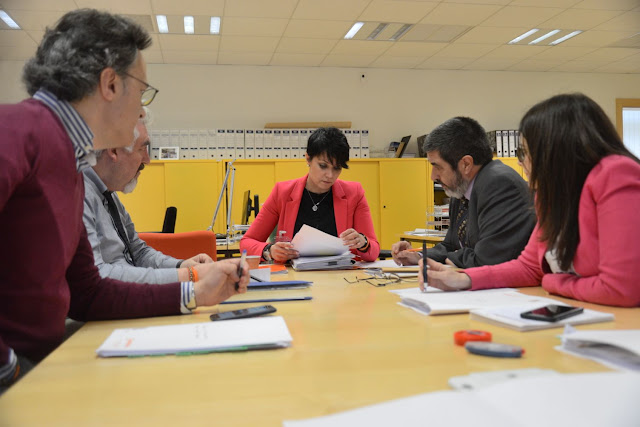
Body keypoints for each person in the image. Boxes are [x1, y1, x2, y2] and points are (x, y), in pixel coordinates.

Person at [0, 9, 248, 393]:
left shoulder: (71, 160)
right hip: (22, 375)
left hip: (50, 363)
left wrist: (194, 293)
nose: (141, 109)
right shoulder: (16, 130)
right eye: (142, 89)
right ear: (110, 84)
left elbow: (89, 292)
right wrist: (8, 368)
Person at [421, 93, 640, 307]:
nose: (521, 162)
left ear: (555, 150)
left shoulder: (615, 175)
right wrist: (465, 279)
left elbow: (620, 288)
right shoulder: (552, 195)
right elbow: (530, 267)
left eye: (524, 152)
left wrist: (554, 282)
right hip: (590, 312)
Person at [392, 117, 535, 268]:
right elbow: (450, 245)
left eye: (437, 166)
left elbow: (487, 259)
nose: (433, 176)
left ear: (466, 164)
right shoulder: (461, 188)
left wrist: (451, 257)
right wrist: (419, 256)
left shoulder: (499, 184)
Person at [83, 118, 213, 285]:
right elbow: (98, 274)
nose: (147, 159)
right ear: (113, 150)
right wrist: (188, 275)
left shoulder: (109, 194)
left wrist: (181, 266)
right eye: (142, 148)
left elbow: (138, 252)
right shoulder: (79, 196)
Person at [240, 127, 380, 262]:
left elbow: (373, 250)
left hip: (341, 277)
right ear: (308, 158)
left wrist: (363, 242)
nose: (330, 175)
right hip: (294, 276)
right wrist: (269, 250)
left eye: (337, 168)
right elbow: (246, 243)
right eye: (323, 166)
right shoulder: (282, 192)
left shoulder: (354, 193)